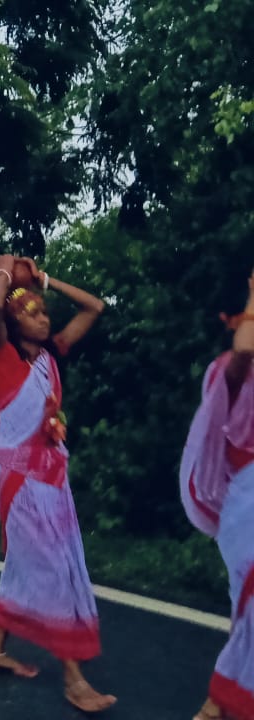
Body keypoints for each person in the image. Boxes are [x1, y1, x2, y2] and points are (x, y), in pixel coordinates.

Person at [0, 255, 114, 712]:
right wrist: (4, 272)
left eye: (44, 311)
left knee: (28, 563)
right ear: (15, 322)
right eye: (32, 312)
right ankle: (74, 679)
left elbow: (95, 307)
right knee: (54, 568)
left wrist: (45, 279)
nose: (43, 317)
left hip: (52, 475)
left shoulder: (51, 356)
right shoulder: (3, 356)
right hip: (19, 478)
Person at [179, 268, 254, 720]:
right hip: (247, 504)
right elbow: (244, 351)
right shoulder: (226, 371)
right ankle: (218, 704)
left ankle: (218, 704)